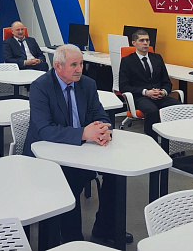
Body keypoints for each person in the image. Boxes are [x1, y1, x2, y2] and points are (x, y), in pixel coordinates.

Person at [23, 45, 131, 244]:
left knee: (116, 174)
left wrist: (103, 130)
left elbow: (100, 114)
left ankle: (106, 228)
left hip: (80, 150)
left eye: (81, 64)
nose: (79, 69)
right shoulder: (41, 87)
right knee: (70, 178)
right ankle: (72, 239)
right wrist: (83, 133)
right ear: (58, 66)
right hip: (45, 154)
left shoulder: (87, 84)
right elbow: (44, 130)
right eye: (74, 65)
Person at [119, 29, 181, 138]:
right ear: (134, 43)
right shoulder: (127, 61)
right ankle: (152, 139)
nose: (145, 43)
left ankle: (172, 140)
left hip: (159, 95)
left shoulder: (157, 58)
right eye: (142, 40)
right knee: (152, 111)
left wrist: (163, 92)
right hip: (141, 96)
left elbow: (167, 82)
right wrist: (146, 92)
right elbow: (123, 86)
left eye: (147, 40)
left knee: (178, 107)